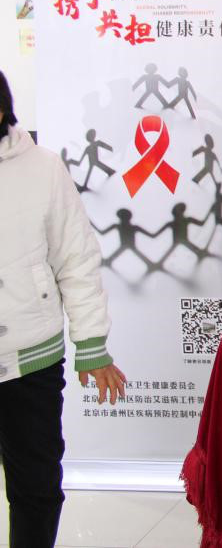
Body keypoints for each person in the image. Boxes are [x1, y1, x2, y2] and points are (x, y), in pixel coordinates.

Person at [0, 69, 126, 548]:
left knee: (35, 485)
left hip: (30, 355)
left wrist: (91, 343)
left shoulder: (43, 168)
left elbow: (75, 258)